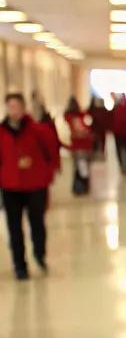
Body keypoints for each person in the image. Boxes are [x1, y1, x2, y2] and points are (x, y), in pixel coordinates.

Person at [0, 92, 56, 278]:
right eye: (10, 107)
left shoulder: (37, 130)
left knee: (37, 223)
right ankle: (20, 265)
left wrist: (47, 176)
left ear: (23, 108)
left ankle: (39, 253)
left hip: (35, 184)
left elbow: (51, 153)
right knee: (14, 227)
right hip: (10, 186)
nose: (13, 111)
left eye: (16, 106)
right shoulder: (1, 133)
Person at [63, 96, 93, 195]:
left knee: (80, 167)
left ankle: (81, 187)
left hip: (81, 145)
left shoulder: (79, 115)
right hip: (80, 145)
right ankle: (81, 187)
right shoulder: (73, 116)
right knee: (81, 167)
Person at [90, 95, 110, 159]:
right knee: (99, 141)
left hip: (99, 130)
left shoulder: (94, 110)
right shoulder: (95, 110)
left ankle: (99, 153)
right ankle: (99, 153)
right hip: (98, 130)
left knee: (100, 141)